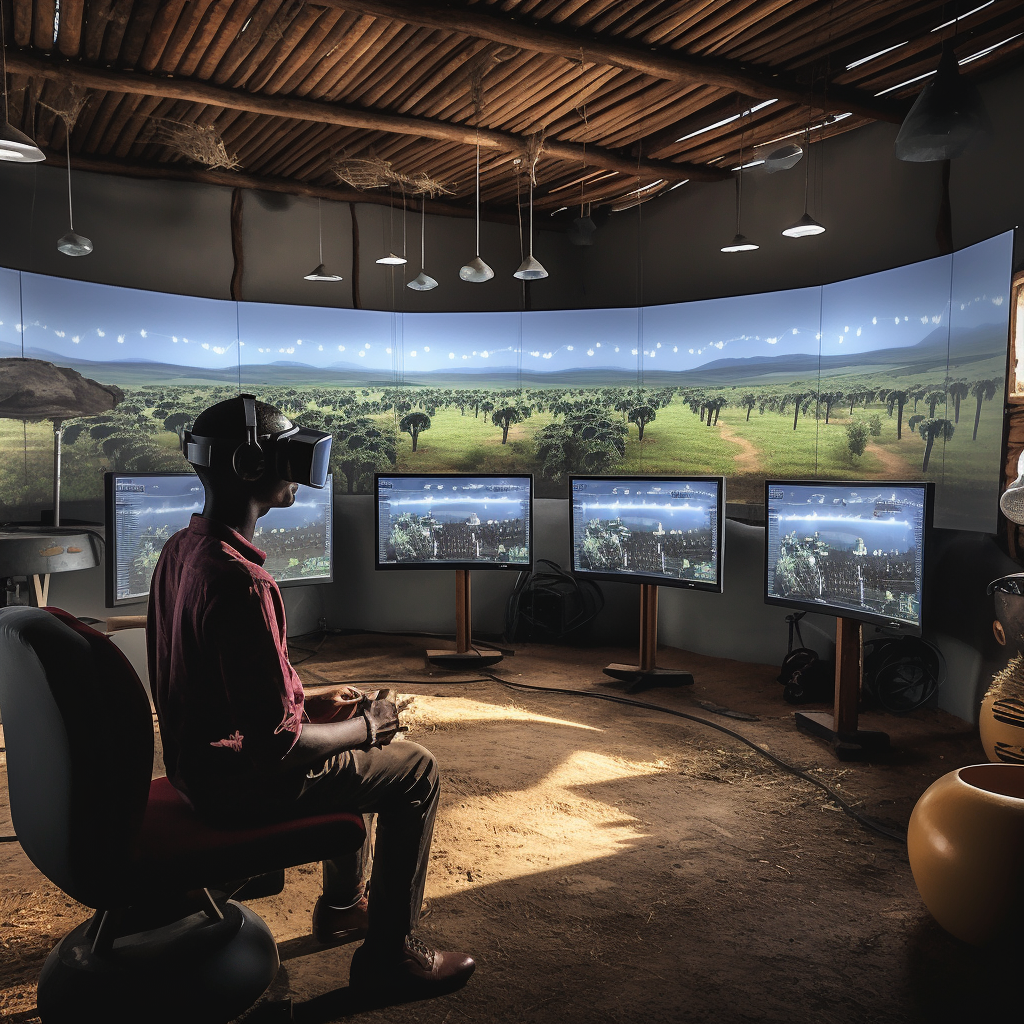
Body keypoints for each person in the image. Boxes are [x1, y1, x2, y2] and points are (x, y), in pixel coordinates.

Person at [146, 393, 474, 995]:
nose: (301, 465)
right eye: (287, 450)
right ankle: (390, 958)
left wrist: (314, 703)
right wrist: (369, 725)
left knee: (345, 737)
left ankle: (347, 906)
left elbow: (220, 691)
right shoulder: (244, 584)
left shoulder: (179, 553)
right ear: (250, 468)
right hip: (242, 787)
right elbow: (278, 746)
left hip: (198, 769)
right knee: (415, 768)